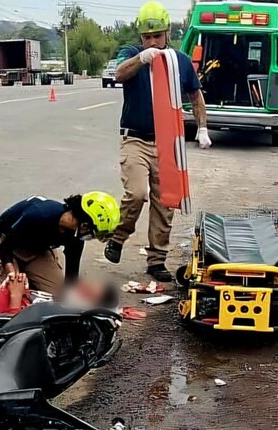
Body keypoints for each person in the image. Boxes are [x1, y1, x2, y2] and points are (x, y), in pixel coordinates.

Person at [103, 1, 211, 283]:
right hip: (135, 139)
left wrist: (202, 128)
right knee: (137, 193)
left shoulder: (180, 61)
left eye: (157, 36)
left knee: (165, 203)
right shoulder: (133, 54)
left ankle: (156, 260)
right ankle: (118, 237)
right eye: (147, 37)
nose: (152, 41)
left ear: (167, 34)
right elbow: (119, 73)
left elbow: (195, 96)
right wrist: (143, 58)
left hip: (167, 141)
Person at [0, 191, 121, 296]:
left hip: (37, 249)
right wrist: (12, 274)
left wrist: (71, 299)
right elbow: (6, 246)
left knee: (56, 295)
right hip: (2, 241)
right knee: (7, 294)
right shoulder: (39, 215)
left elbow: (71, 276)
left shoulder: (76, 235)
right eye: (92, 233)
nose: (89, 237)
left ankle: (27, 279)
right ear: (85, 224)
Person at [0, 272, 120, 315]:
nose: (80, 285)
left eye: (86, 291)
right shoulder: (55, 302)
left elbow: (15, 336)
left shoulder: (56, 321)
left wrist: (16, 295)